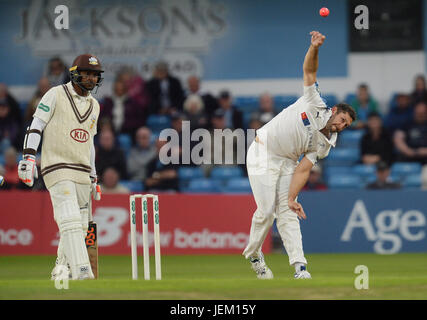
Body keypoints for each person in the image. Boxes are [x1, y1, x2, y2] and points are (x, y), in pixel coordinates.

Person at [243, 31, 356, 280]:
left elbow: (303, 168)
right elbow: (309, 72)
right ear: (334, 111)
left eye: (346, 125)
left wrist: (293, 197)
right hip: (262, 151)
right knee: (266, 211)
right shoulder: (314, 102)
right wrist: (314, 47)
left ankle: (300, 267)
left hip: (286, 163)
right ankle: (253, 255)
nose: (341, 125)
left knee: (288, 211)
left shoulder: (326, 144)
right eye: (342, 119)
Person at [17, 54, 103, 280]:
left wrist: (94, 176)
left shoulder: (95, 105)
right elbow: (36, 124)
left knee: (82, 225)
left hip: (83, 170)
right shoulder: (55, 94)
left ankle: (61, 271)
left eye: (95, 75)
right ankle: (83, 272)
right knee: (70, 218)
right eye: (87, 73)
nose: (91, 79)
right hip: (57, 165)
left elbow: (89, 142)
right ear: (75, 73)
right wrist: (28, 158)